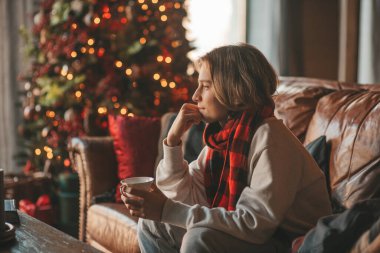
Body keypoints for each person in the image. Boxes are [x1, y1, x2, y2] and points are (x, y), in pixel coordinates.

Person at [121, 43, 332, 253]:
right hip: (261, 236)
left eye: (205, 86)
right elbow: (184, 196)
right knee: (152, 225)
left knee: (199, 238)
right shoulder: (225, 139)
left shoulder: (271, 139)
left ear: (235, 89)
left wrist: (167, 210)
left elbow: (254, 224)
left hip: (290, 241)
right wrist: (173, 142)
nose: (195, 96)